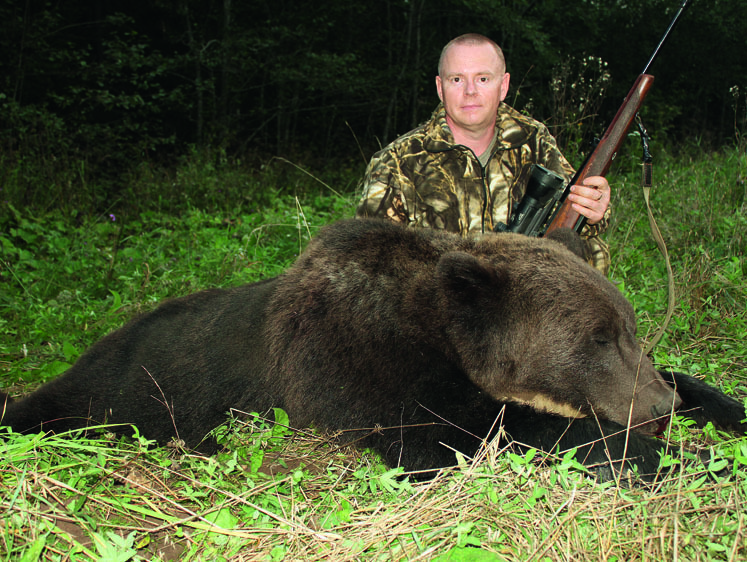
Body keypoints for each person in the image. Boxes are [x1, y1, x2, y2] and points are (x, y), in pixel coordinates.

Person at [355, 33, 611, 274]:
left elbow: (575, 213)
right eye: (456, 79)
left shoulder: (534, 141)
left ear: (504, 85)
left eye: (483, 79)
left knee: (591, 249)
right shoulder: (397, 162)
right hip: (437, 308)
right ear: (440, 87)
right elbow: (371, 259)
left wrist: (595, 210)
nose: (470, 91)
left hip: (525, 298)